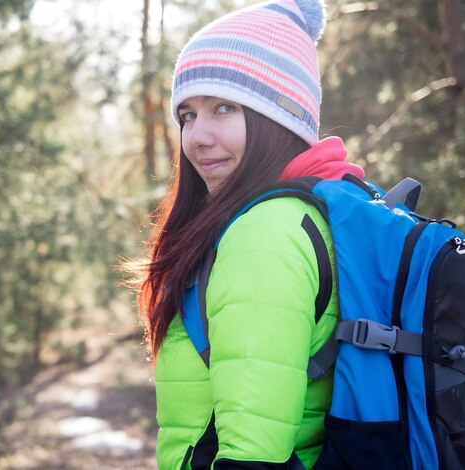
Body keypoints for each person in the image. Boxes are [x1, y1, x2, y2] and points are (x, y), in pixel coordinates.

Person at [133, 0, 365, 468]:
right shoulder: (305, 211)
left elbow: (252, 454)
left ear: (278, 119)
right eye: (188, 115)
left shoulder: (264, 234)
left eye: (223, 107)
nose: (197, 136)